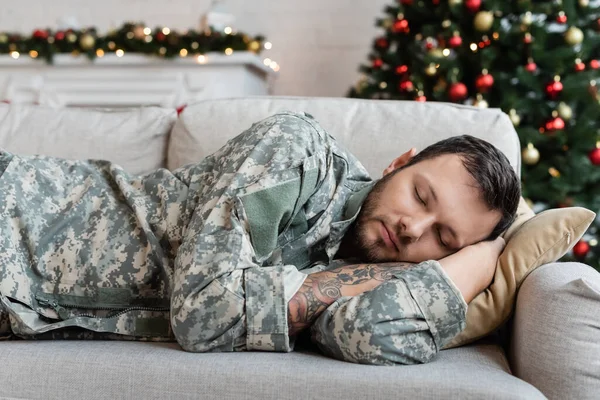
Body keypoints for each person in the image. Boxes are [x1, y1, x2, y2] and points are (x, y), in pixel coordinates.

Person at [0, 111, 520, 365]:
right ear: (399, 164)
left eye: (443, 238)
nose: (413, 227)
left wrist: (480, 259)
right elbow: (202, 314)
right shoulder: (298, 152)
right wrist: (406, 268)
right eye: (421, 196)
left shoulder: (368, 276)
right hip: (17, 212)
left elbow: (367, 335)